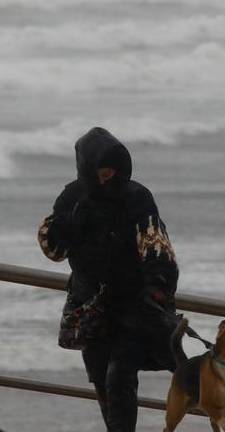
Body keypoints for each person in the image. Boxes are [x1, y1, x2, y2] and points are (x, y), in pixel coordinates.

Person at [38, 127, 179, 432]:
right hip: (89, 305)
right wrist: (69, 223)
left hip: (135, 303)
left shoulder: (137, 196)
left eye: (111, 174)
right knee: (101, 377)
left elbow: (156, 245)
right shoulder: (72, 196)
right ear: (87, 171)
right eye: (100, 175)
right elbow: (53, 249)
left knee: (120, 376)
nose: (106, 182)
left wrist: (157, 286)